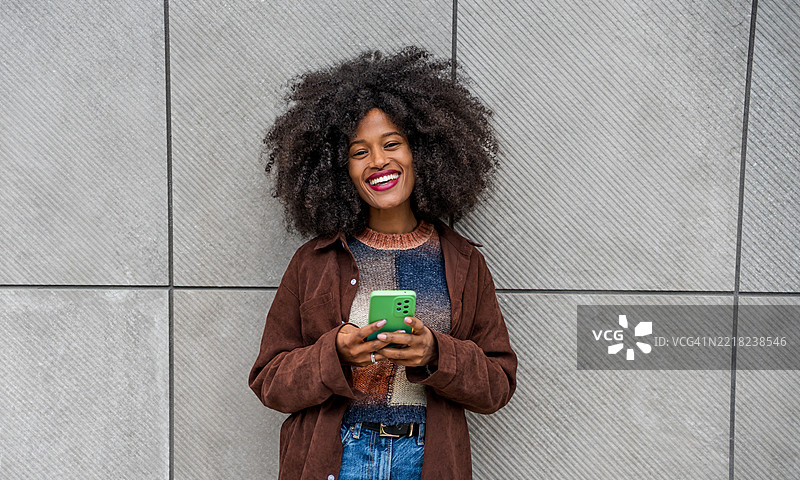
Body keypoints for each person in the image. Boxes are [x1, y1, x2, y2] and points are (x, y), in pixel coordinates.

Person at [249, 46, 517, 480]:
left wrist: (435, 354)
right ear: (338, 169)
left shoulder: (465, 262)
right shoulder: (312, 262)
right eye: (359, 151)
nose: (378, 161)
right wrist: (334, 352)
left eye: (392, 143)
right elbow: (270, 382)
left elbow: (498, 384)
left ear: (424, 153)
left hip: (424, 458)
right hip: (338, 457)